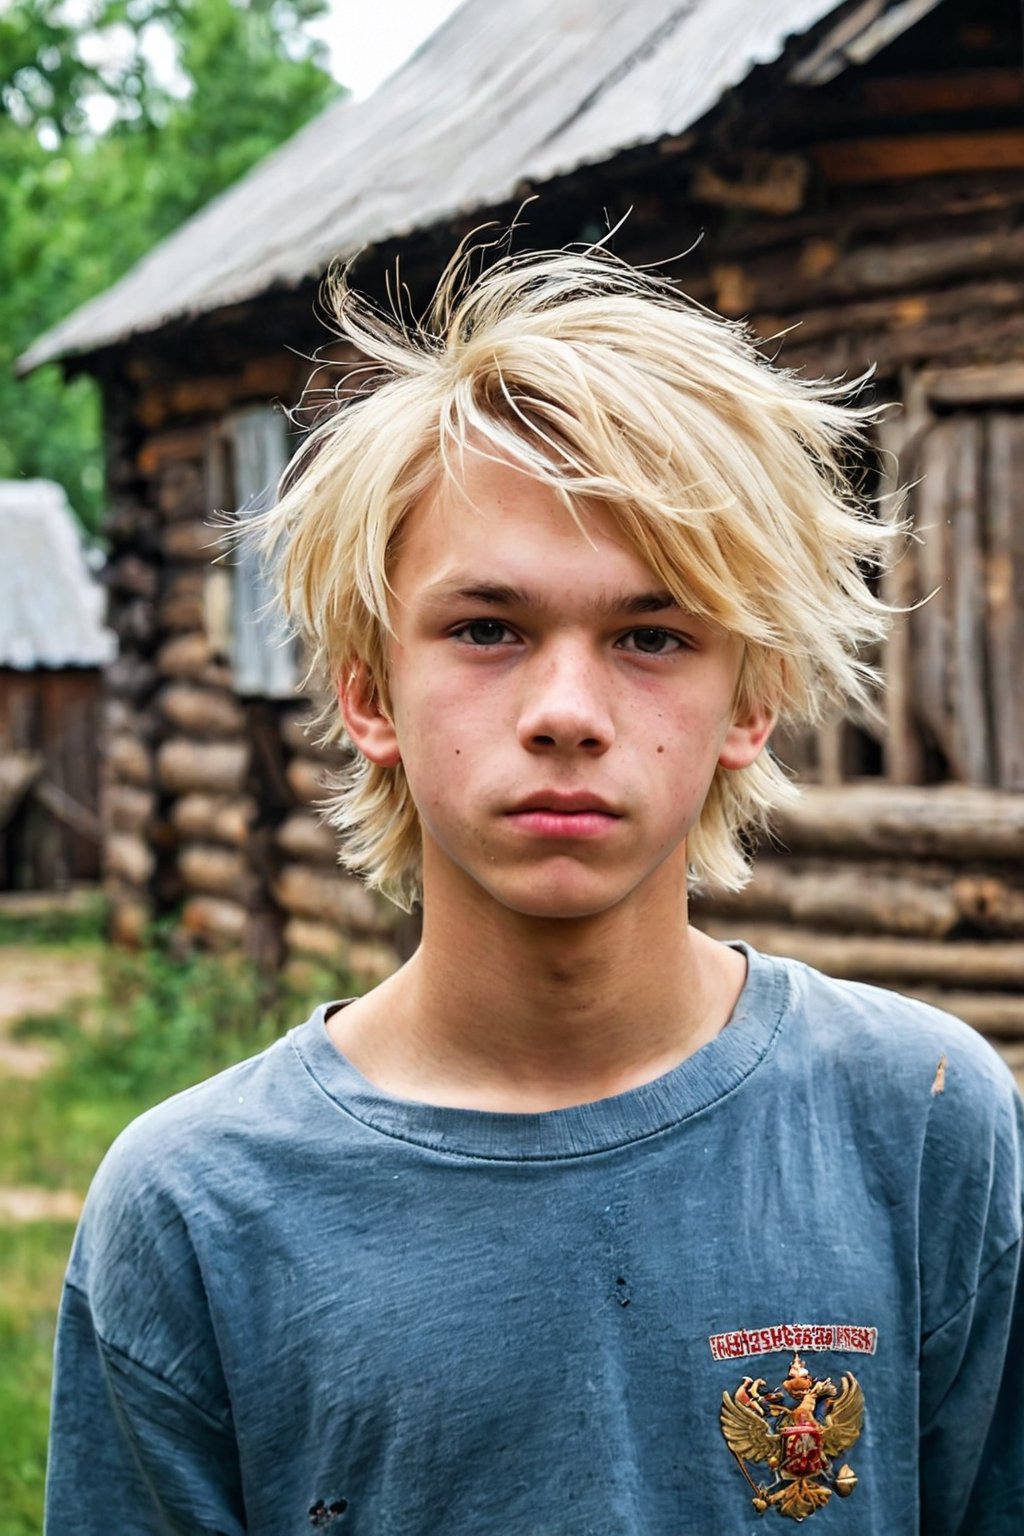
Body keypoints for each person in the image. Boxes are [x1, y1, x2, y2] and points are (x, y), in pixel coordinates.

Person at [46, 244, 1022, 1535]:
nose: (568, 712)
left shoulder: (924, 1129)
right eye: (488, 629)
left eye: (653, 636)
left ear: (754, 699)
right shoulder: (195, 1212)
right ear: (366, 690)